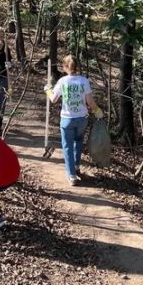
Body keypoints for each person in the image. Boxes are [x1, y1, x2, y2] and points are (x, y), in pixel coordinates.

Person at [44, 54, 103, 186]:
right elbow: (90, 102)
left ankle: (72, 175)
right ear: (77, 66)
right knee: (78, 143)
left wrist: (47, 90)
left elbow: (53, 99)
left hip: (67, 119)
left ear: (65, 67)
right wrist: (97, 111)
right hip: (82, 119)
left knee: (67, 147)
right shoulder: (84, 81)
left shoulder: (62, 81)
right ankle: (76, 167)